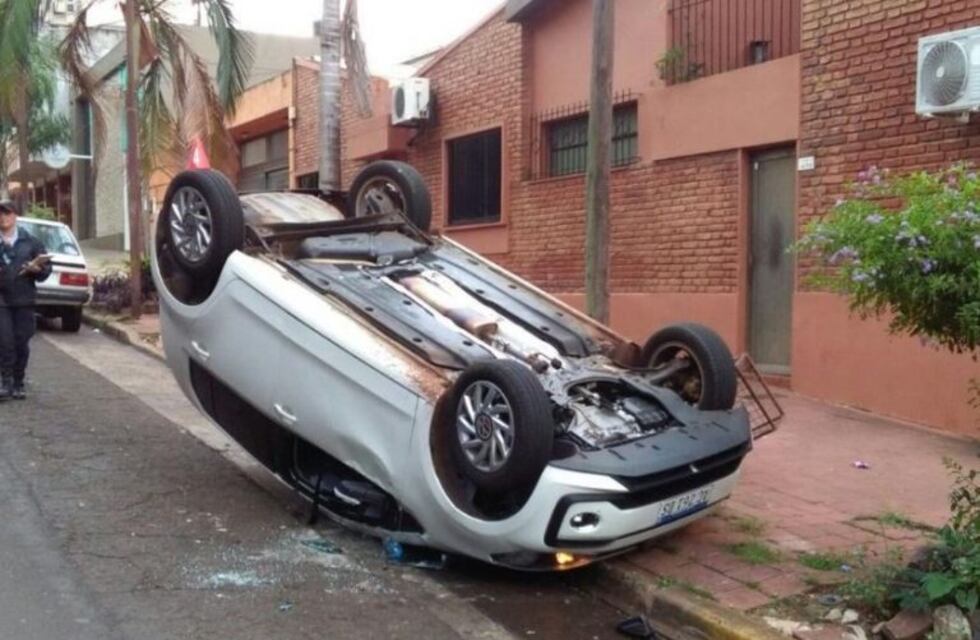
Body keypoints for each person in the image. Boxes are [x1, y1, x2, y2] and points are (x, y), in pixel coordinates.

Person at [0, 200, 52, 400]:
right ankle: (5, 382)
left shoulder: (31, 242)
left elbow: (46, 270)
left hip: (24, 299)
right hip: (2, 299)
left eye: (7, 213)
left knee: (22, 341)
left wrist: (37, 269)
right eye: (1, 214)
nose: (3, 217)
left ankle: (18, 381)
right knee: (5, 341)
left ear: (15, 216)